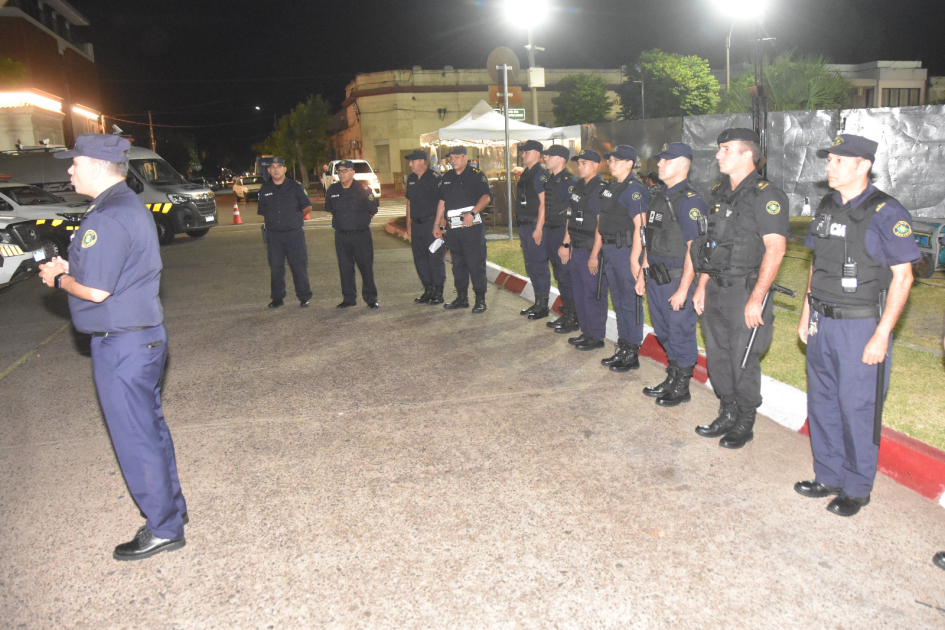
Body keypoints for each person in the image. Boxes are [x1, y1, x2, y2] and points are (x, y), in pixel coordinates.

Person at [38, 133, 188, 561]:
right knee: (150, 430)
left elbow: (97, 291)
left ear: (98, 166)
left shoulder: (107, 216)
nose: (70, 169)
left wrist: (60, 279)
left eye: (75, 162)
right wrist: (76, 267)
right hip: (142, 338)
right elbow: (113, 269)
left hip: (123, 346)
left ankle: (163, 528)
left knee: (135, 437)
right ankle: (172, 510)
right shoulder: (124, 205)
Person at [795, 134, 919, 517]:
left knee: (857, 408)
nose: (829, 166)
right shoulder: (827, 206)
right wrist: (805, 312)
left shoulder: (887, 212)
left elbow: (904, 277)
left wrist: (882, 334)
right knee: (823, 402)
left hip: (860, 325)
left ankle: (856, 486)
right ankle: (828, 475)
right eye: (828, 159)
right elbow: (817, 263)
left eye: (837, 160)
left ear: (863, 165)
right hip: (822, 320)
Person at [692, 128, 789, 449]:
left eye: (726, 149)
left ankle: (745, 419)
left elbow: (775, 250)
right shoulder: (719, 192)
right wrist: (701, 285)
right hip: (716, 286)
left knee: (742, 357)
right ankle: (727, 410)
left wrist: (757, 299)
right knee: (718, 354)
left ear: (748, 154)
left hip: (745, 290)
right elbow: (711, 245)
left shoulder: (767, 195)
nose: (718, 155)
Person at [640, 143, 705, 406]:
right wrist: (642, 272)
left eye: (666, 160)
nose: (660, 164)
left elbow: (694, 249)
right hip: (655, 276)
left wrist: (683, 290)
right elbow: (650, 237)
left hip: (677, 279)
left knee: (680, 331)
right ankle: (673, 375)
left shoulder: (690, 201)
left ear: (681, 165)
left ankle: (682, 385)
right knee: (664, 331)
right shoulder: (658, 196)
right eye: (660, 160)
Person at [592, 145, 648, 370]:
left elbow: (641, 227)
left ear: (629, 164)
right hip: (611, 250)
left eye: (616, 160)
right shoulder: (612, 187)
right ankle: (623, 347)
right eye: (610, 160)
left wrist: (635, 259)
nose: (611, 164)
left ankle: (632, 352)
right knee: (619, 301)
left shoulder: (635, 189)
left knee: (630, 302)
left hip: (626, 251)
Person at [432, 146, 492, 313]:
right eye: (451, 157)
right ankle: (461, 297)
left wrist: (473, 213)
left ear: (466, 157)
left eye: (457, 157)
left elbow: (486, 197)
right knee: (457, 264)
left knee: (476, 264)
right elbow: (443, 203)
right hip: (453, 229)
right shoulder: (447, 177)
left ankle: (480, 300)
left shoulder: (476, 175)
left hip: (471, 228)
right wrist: (438, 224)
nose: (453, 160)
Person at [562, 149, 608, 347]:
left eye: (585, 163)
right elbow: (570, 216)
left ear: (596, 166)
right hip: (576, 247)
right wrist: (566, 243)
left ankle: (596, 337)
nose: (580, 167)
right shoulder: (578, 186)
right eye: (578, 163)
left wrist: (595, 255)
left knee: (592, 294)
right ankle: (586, 331)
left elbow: (601, 225)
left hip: (591, 249)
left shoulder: (600, 189)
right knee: (579, 293)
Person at [257, 156, 313, 308]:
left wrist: (293, 219)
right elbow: (263, 211)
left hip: (294, 234)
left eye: (279, 166)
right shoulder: (265, 190)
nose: (275, 169)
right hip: (274, 236)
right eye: (272, 167)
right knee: (276, 268)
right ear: (268, 170)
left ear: (284, 169)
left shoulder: (296, 187)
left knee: (299, 266)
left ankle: (304, 297)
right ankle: (277, 298)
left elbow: (307, 207)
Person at [325, 159, 379, 308]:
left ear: (353, 172)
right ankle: (349, 298)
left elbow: (372, 210)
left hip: (361, 235)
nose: (342, 174)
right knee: (345, 268)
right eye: (340, 171)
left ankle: (371, 299)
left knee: (366, 267)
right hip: (341, 236)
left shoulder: (363, 188)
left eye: (345, 170)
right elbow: (331, 210)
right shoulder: (333, 190)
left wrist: (359, 222)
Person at [542, 144, 579, 333]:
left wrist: (566, 242)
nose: (545, 158)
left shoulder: (569, 182)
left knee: (566, 276)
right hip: (550, 231)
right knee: (559, 275)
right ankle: (568, 312)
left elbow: (570, 214)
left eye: (550, 155)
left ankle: (573, 318)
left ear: (561, 159)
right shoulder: (551, 179)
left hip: (561, 233)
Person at [514, 140, 552, 319]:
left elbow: (544, 203)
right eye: (522, 152)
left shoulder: (540, 174)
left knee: (539, 265)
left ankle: (543, 307)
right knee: (530, 266)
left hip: (534, 225)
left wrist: (539, 228)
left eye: (526, 152)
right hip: (525, 226)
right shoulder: (526, 173)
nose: (522, 155)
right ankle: (537, 303)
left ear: (537, 153)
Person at [404, 149, 445, 305]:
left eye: (412, 161)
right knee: (420, 259)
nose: (410, 164)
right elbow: (408, 203)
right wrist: (408, 224)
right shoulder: (412, 179)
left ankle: (438, 292)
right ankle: (428, 290)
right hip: (417, 225)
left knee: (434, 258)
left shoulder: (435, 178)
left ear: (422, 161)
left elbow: (443, 202)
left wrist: (441, 225)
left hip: (431, 225)